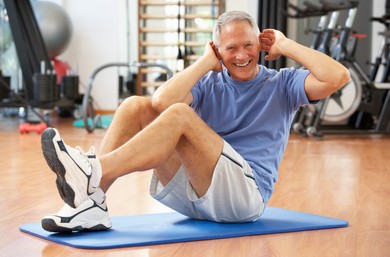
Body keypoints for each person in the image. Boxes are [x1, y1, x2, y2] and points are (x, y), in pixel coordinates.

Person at [40, 11, 350, 232]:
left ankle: (92, 170)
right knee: (136, 106)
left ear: (261, 44)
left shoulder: (284, 83)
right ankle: (91, 204)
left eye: (248, 45)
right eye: (231, 48)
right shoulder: (208, 82)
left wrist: (285, 46)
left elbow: (338, 77)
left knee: (180, 115)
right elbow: (160, 102)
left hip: (243, 198)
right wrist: (205, 62)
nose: (241, 54)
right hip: (194, 197)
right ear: (218, 50)